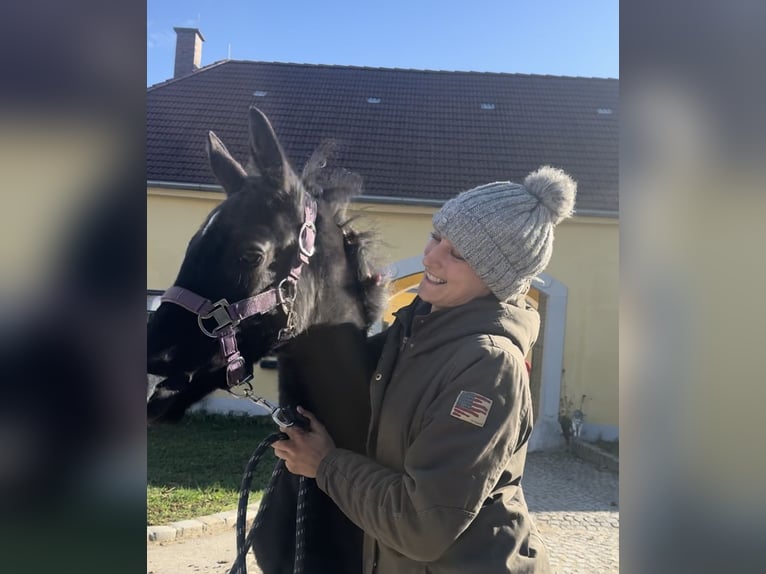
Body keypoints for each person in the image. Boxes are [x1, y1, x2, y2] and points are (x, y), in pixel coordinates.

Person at [273, 165, 576, 573]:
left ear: (496, 278)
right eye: (437, 236)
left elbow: (423, 524)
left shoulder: (486, 364)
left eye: (459, 254)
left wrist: (324, 464)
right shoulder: (418, 326)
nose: (431, 256)